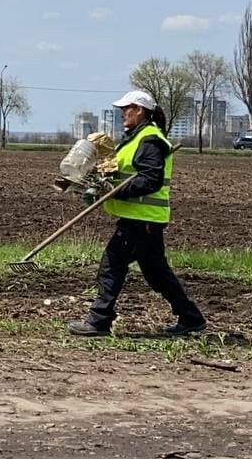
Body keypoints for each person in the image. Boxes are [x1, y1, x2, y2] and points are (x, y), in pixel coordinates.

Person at [66, 90, 207, 337]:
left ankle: (99, 321)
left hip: (142, 220)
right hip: (144, 219)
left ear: (140, 110)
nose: (123, 113)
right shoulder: (137, 138)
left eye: (126, 108)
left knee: (112, 267)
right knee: (156, 274)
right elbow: (127, 173)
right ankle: (191, 317)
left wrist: (115, 191)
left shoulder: (149, 140)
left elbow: (150, 180)